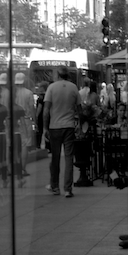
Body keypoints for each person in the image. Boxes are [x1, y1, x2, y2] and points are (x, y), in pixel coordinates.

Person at [44, 67, 80, 198]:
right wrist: (79, 124)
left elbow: (46, 110)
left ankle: (54, 186)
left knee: (55, 157)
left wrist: (45, 128)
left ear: (58, 74)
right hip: (69, 126)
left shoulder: (51, 88)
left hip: (55, 126)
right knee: (69, 157)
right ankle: (67, 189)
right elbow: (79, 108)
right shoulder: (73, 87)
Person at [13, 72, 35, 178]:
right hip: (25, 120)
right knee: (25, 144)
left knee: (13, 145)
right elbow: (31, 108)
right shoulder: (28, 93)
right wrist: (34, 121)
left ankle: (12, 168)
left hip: (13, 121)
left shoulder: (12, 93)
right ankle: (22, 168)